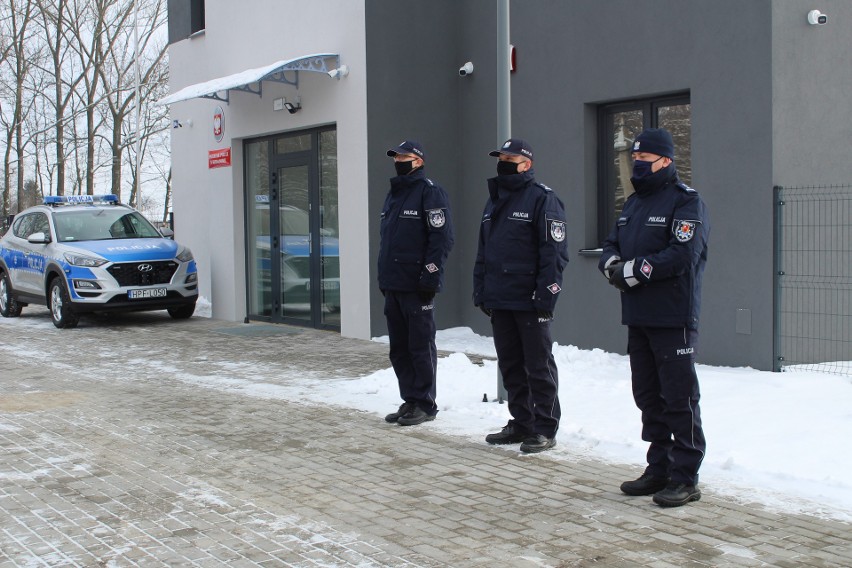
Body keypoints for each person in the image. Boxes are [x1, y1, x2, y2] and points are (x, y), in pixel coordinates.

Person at [598, 127, 710, 507]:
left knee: (679, 398)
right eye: (635, 159)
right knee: (648, 396)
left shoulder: (686, 203)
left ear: (665, 161)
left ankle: (685, 476)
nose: (638, 166)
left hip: (672, 315)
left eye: (645, 160)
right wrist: (611, 262)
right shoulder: (633, 204)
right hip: (639, 315)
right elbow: (612, 242)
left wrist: (635, 270)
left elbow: (682, 255)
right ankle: (658, 467)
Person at [473, 138, 569, 453]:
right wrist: (481, 291)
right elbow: (484, 252)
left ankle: (544, 427)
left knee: (538, 365)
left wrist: (546, 298)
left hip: (530, 300)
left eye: (510, 157)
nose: (503, 162)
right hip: (500, 298)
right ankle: (521, 422)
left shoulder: (543, 199)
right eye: (500, 156)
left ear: (526, 164)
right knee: (511, 365)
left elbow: (554, 254)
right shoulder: (495, 200)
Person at [379, 140, 454, 426]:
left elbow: (442, 238)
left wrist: (430, 276)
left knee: (420, 345)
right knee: (399, 348)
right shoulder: (394, 195)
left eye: (404, 156)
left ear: (419, 161)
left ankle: (425, 403)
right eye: (396, 156)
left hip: (417, 285)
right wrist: (383, 279)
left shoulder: (430, 193)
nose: (398, 160)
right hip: (394, 284)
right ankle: (410, 399)